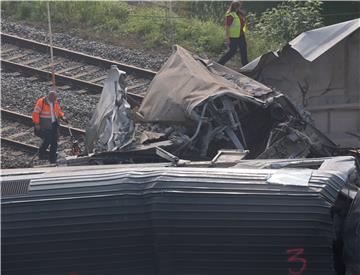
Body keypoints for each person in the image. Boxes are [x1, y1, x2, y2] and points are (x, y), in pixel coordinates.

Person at [32, 90, 67, 163]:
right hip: (45, 125)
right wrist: (37, 123)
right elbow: (35, 113)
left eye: (55, 98)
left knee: (54, 142)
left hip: (54, 124)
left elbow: (58, 111)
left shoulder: (55, 102)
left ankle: (52, 159)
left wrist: (62, 116)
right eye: (54, 98)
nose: (55, 100)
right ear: (49, 96)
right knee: (47, 140)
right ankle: (41, 154)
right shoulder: (41, 102)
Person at [218, 1, 249, 67]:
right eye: (236, 6)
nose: (237, 8)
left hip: (241, 36)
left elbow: (243, 24)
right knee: (232, 52)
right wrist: (227, 37)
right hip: (233, 37)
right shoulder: (230, 15)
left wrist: (244, 32)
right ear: (233, 7)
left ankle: (246, 67)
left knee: (244, 51)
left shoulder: (240, 14)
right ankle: (220, 63)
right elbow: (227, 27)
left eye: (238, 6)